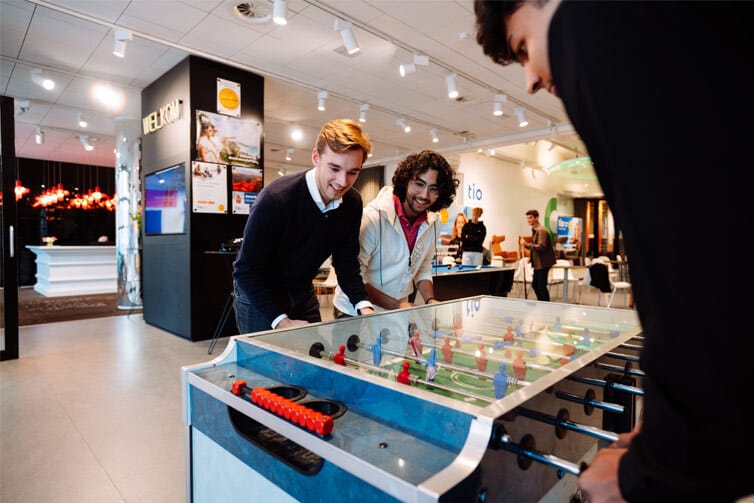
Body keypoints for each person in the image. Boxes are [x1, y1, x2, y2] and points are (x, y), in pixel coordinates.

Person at [474, 1, 753, 502]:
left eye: (523, 48)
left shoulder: (590, 28)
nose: (531, 81)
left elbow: (690, 260)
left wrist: (654, 467)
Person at [232, 119, 375, 333]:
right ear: (316, 157)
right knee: (264, 364)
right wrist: (282, 322)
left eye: (353, 172)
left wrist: (364, 306)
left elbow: (346, 263)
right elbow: (245, 271)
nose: (342, 181)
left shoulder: (352, 203)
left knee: (313, 359)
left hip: (302, 291)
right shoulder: (275, 198)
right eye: (334, 168)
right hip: (260, 294)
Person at [332, 150, 459, 316]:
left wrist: (429, 300)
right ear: (405, 181)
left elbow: (424, 267)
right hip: (354, 309)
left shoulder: (434, 221)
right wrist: (397, 305)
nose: (424, 195)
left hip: (397, 308)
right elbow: (354, 276)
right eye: (419, 184)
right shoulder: (372, 218)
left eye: (433, 188)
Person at [519, 209, 555, 301]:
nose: (528, 220)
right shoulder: (536, 230)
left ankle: (545, 305)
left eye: (530, 218)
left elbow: (542, 247)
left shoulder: (541, 230)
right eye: (527, 218)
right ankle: (542, 303)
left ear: (537, 218)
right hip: (539, 263)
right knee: (536, 285)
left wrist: (526, 244)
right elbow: (537, 247)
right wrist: (531, 258)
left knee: (541, 286)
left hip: (543, 263)